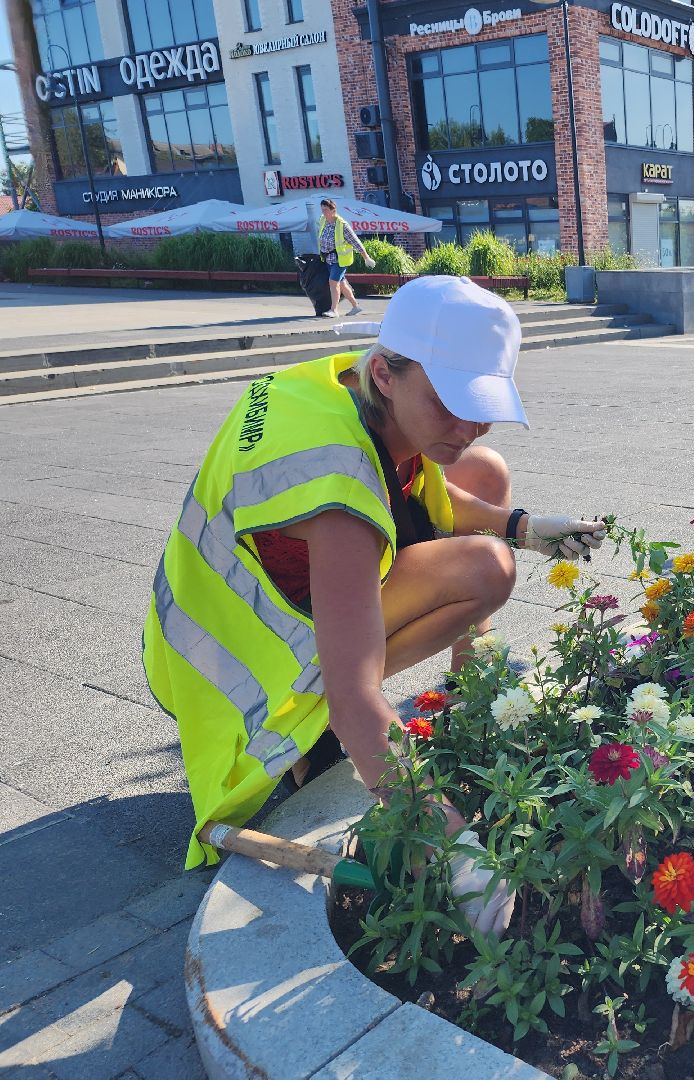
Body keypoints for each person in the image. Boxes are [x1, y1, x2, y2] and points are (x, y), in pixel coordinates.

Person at [142, 277, 605, 931]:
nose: (469, 424)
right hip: (228, 671)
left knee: (486, 472)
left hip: (213, 604)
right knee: (484, 566)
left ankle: (475, 687)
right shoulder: (336, 496)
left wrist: (524, 526)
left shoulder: (345, 385)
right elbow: (356, 694)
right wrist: (451, 847)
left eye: (483, 402)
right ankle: (310, 737)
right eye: (451, 402)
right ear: (388, 374)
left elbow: (433, 488)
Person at [317, 197, 376, 318]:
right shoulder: (323, 220)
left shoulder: (342, 225)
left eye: (326, 210)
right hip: (328, 259)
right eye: (322, 210)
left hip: (340, 260)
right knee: (342, 284)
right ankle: (356, 306)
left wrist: (366, 257)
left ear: (333, 210)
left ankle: (334, 310)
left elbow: (356, 242)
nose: (324, 212)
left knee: (333, 282)